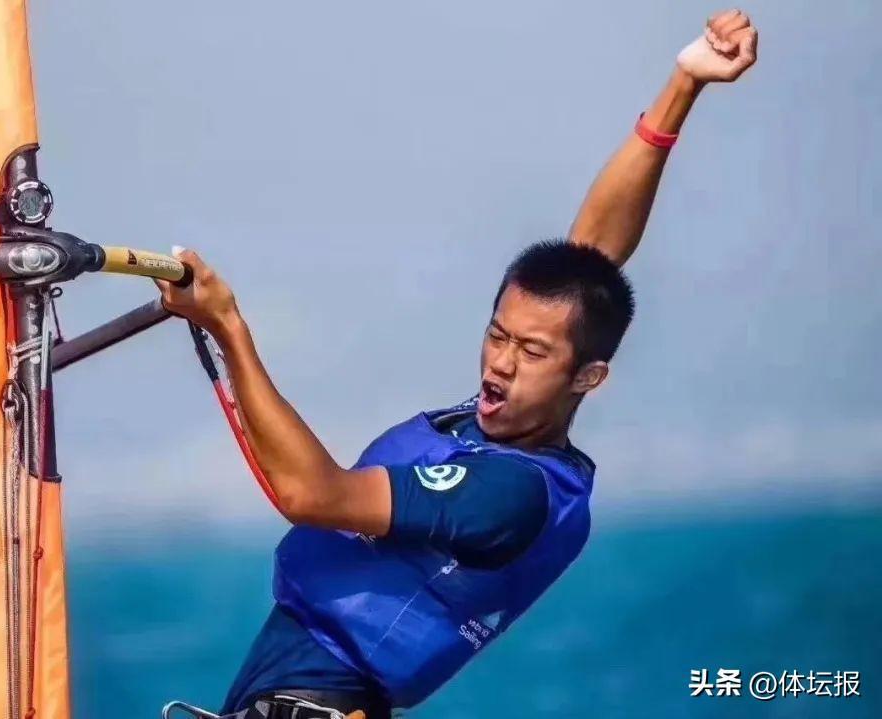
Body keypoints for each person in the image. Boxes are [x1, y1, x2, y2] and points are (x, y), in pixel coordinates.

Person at [158, 10, 758, 719]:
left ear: (587, 377)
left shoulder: (511, 494)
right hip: (281, 684)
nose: (501, 363)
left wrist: (228, 327)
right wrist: (684, 82)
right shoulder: (494, 420)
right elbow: (590, 257)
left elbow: (312, 494)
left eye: (532, 351)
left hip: (323, 700)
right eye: (497, 335)